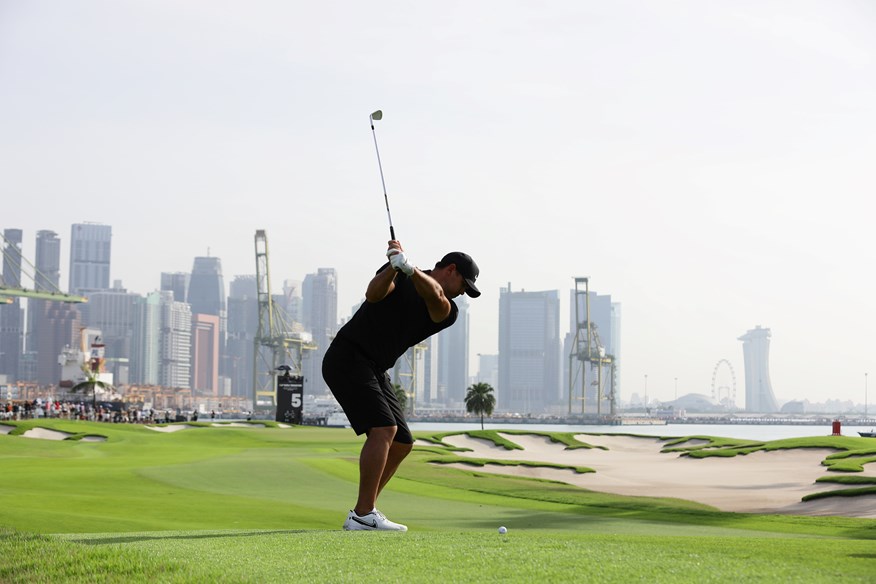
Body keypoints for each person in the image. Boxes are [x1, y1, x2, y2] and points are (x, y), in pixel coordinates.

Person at [322, 240, 481, 531]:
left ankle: (362, 511)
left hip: (375, 368)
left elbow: (436, 300)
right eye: (464, 285)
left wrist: (408, 267)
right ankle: (364, 514)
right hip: (347, 356)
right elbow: (373, 294)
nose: (462, 293)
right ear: (451, 270)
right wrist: (393, 267)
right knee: (385, 429)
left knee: (403, 442)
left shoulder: (448, 308)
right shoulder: (397, 272)